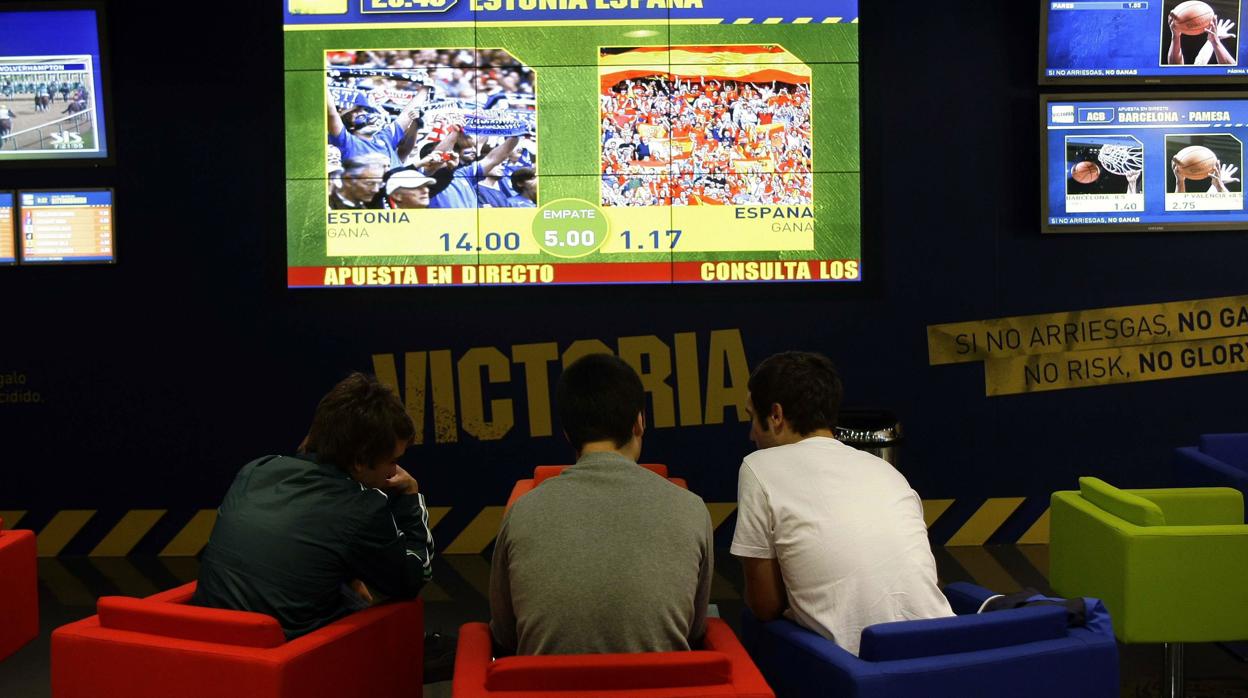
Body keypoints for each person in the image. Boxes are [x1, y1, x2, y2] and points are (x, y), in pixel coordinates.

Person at [489, 353, 713, 655]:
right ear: (639, 422)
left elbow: (504, 634)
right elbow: (695, 630)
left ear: (567, 432)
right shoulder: (692, 509)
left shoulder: (521, 512)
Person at [731, 352, 953, 657]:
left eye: (751, 418)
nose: (751, 434)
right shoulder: (887, 472)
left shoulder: (758, 467)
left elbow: (764, 606)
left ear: (776, 416)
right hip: (946, 654)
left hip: (854, 670)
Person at [193, 373, 434, 639]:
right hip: (288, 659)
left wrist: (351, 575)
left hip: (207, 645)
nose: (394, 471)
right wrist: (411, 497)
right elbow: (412, 579)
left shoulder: (256, 470)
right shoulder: (361, 508)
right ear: (360, 461)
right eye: (392, 460)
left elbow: (308, 542)